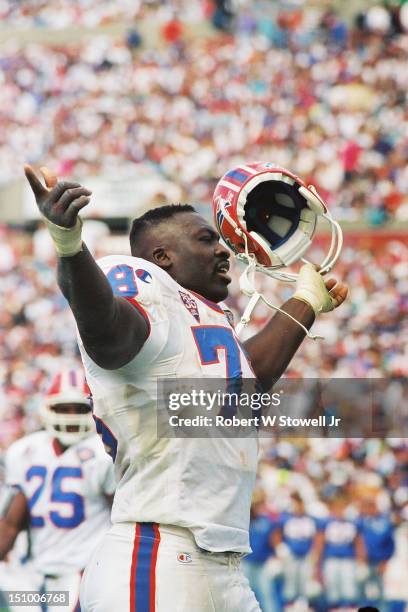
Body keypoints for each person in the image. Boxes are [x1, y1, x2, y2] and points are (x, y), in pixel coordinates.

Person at [24, 164, 348, 612]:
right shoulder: (142, 282)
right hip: (160, 553)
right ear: (161, 257)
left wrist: (306, 303)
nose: (223, 250)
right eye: (204, 239)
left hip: (219, 560)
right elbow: (108, 330)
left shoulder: (207, 320)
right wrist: (71, 247)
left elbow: (244, 386)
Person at [0, 368, 115, 612]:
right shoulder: (27, 450)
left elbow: (122, 519)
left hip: (81, 573)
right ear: (48, 409)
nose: (71, 416)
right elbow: (12, 523)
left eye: (80, 409)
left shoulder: (101, 452)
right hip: (35, 575)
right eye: (63, 408)